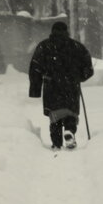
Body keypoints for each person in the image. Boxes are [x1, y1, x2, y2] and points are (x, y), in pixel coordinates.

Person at [28, 21, 93, 149]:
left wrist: (35, 89)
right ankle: (69, 130)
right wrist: (79, 77)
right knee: (70, 113)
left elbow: (35, 69)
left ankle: (56, 143)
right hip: (71, 87)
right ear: (66, 31)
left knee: (55, 116)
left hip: (51, 87)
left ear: (52, 32)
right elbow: (88, 68)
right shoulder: (77, 47)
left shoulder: (44, 46)